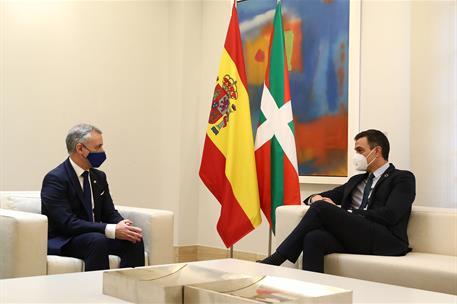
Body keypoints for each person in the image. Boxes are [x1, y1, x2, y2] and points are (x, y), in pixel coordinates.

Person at [259, 129, 416, 272]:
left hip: (385, 239)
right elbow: (313, 199)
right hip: (358, 237)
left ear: (377, 151)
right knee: (313, 237)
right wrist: (315, 198)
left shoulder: (402, 178)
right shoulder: (357, 180)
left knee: (321, 208)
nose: (357, 156)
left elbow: (392, 214)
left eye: (360, 151)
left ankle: (277, 258)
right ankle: (315, 293)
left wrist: (348, 213)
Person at [41, 123, 145, 271]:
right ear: (80, 149)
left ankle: (131, 290)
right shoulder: (55, 179)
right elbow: (68, 223)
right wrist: (111, 229)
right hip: (66, 239)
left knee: (133, 238)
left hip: (93, 236)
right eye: (98, 147)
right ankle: (96, 293)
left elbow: (109, 212)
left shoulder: (99, 177)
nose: (102, 151)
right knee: (97, 240)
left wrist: (122, 224)